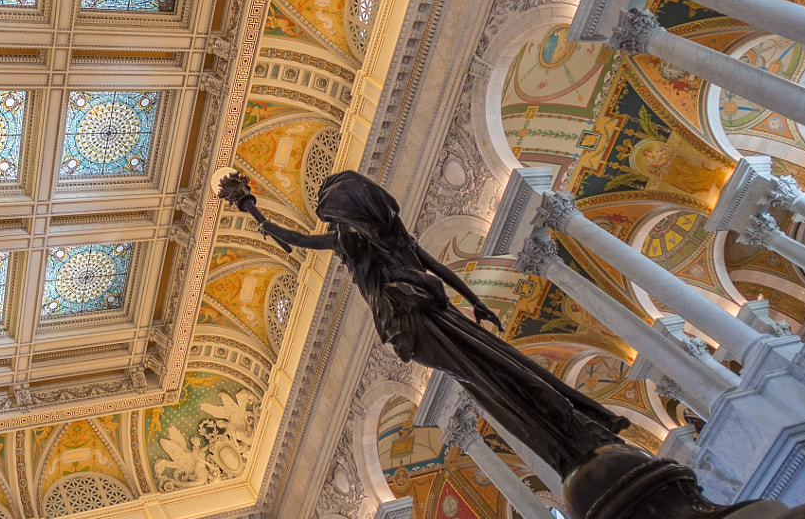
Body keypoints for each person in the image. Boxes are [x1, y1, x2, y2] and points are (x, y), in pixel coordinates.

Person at [215, 168, 626, 479]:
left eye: (337, 216)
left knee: (492, 371)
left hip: (426, 313)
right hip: (412, 320)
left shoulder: (385, 240)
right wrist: (250, 208)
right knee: (484, 375)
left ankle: (567, 428)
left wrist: (476, 301)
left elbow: (435, 267)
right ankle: (561, 433)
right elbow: (299, 241)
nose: (336, 227)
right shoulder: (352, 242)